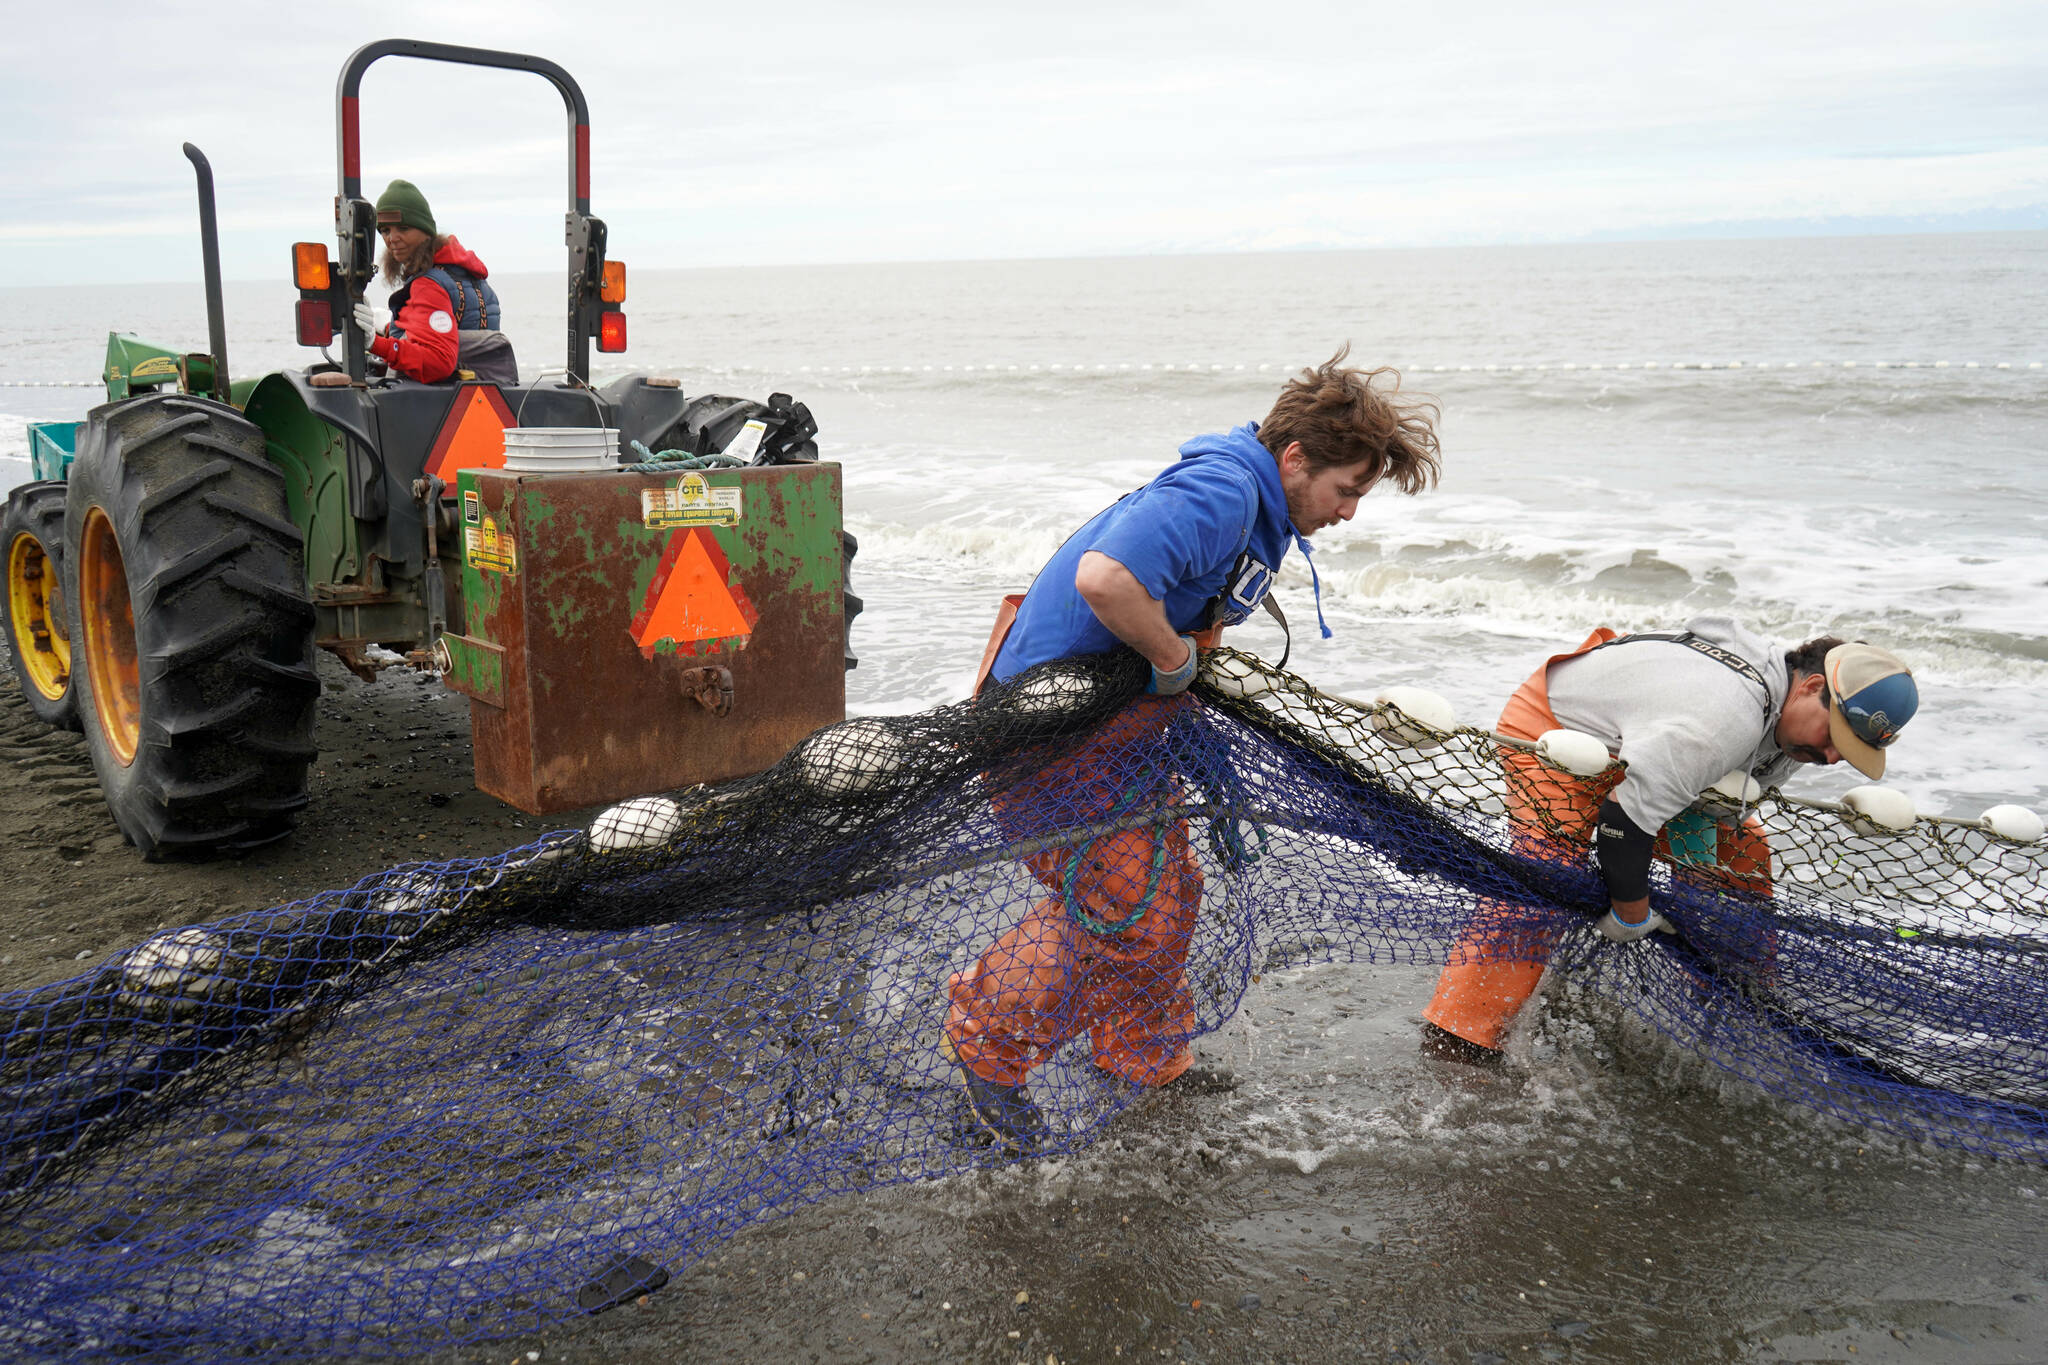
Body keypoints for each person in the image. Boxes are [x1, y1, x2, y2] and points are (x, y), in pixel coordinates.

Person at [943, 349, 1443, 1149]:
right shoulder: (1219, 492)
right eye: (1346, 489)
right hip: (1047, 737)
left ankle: (1139, 1052)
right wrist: (1175, 661)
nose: (1349, 511)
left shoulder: (1257, 507)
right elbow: (1105, 579)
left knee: (1167, 894)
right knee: (1122, 911)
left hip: (1124, 734)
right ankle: (985, 1049)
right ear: (1294, 458)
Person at [1420, 619, 1920, 1065]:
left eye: (1850, 750)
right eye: (1836, 735)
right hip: (1562, 728)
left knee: (1740, 855)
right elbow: (1623, 822)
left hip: (1660, 749)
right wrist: (1631, 912)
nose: (1833, 758)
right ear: (1811, 687)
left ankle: (1728, 1011)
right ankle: (1460, 1040)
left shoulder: (1796, 732)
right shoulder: (1722, 718)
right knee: (1549, 871)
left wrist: (1697, 890)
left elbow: (1696, 808)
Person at [350, 179, 504, 384]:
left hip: (442, 404)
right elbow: (450, 332)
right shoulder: (471, 277)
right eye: (385, 231)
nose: (392, 239)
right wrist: (389, 328)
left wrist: (375, 343)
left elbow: (438, 362)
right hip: (488, 394)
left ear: (425, 231)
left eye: (403, 229)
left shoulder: (429, 285)